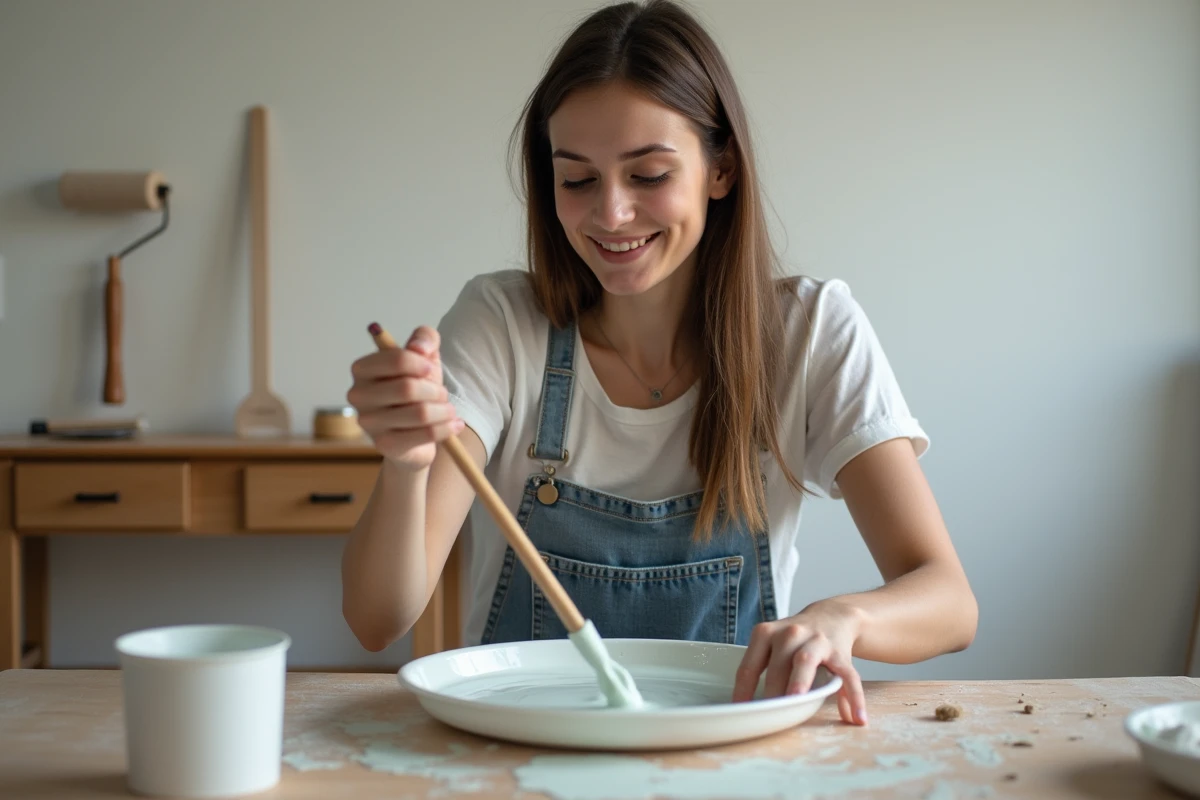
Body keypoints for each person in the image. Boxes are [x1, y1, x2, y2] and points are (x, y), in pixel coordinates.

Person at [341, 0, 977, 726]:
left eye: (647, 175)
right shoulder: (501, 324)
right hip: (523, 756)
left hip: (731, 758)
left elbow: (949, 599)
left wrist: (843, 619)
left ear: (721, 170)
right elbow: (377, 620)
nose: (610, 214)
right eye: (577, 180)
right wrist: (406, 464)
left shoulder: (810, 331)